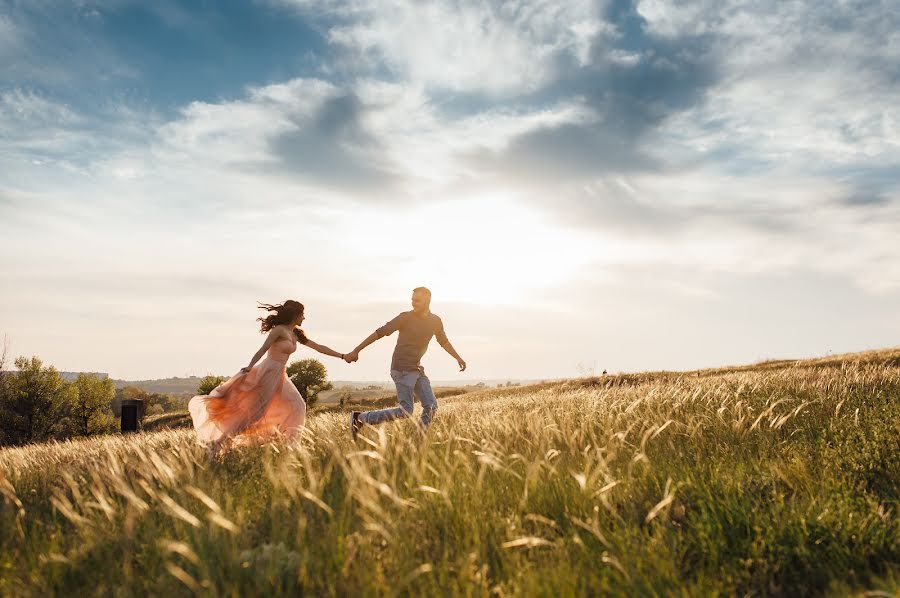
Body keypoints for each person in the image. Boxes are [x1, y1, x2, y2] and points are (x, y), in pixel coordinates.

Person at [189, 300, 347, 452]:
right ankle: (219, 442)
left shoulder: (296, 333)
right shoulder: (279, 330)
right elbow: (263, 349)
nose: (304, 317)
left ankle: (291, 446)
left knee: (298, 405)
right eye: (302, 314)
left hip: (280, 375)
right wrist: (250, 366)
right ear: (295, 315)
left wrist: (342, 356)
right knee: (254, 414)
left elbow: (319, 347)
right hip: (267, 373)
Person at [344, 287, 465, 439]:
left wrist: (458, 358)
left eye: (417, 300)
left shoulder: (435, 321)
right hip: (401, 368)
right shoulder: (405, 318)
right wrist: (356, 350)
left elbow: (443, 341)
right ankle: (360, 418)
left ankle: (417, 440)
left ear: (427, 300)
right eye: (412, 300)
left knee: (431, 406)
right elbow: (379, 332)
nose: (413, 303)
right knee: (406, 410)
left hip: (416, 368)